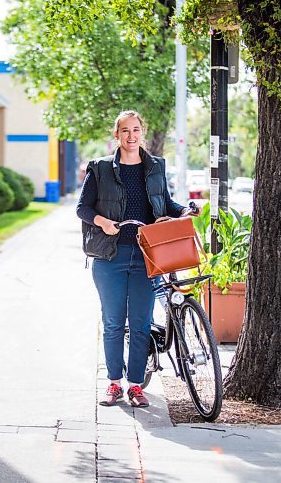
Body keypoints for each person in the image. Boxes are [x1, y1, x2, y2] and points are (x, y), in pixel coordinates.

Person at [77, 110, 193, 408]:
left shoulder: (154, 167)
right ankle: (114, 383)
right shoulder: (100, 169)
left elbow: (164, 202)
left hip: (147, 256)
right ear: (116, 135)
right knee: (114, 322)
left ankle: (136, 386)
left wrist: (183, 211)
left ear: (142, 132)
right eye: (125, 130)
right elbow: (82, 208)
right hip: (109, 255)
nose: (131, 136)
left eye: (136, 130)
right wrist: (102, 221)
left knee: (140, 324)